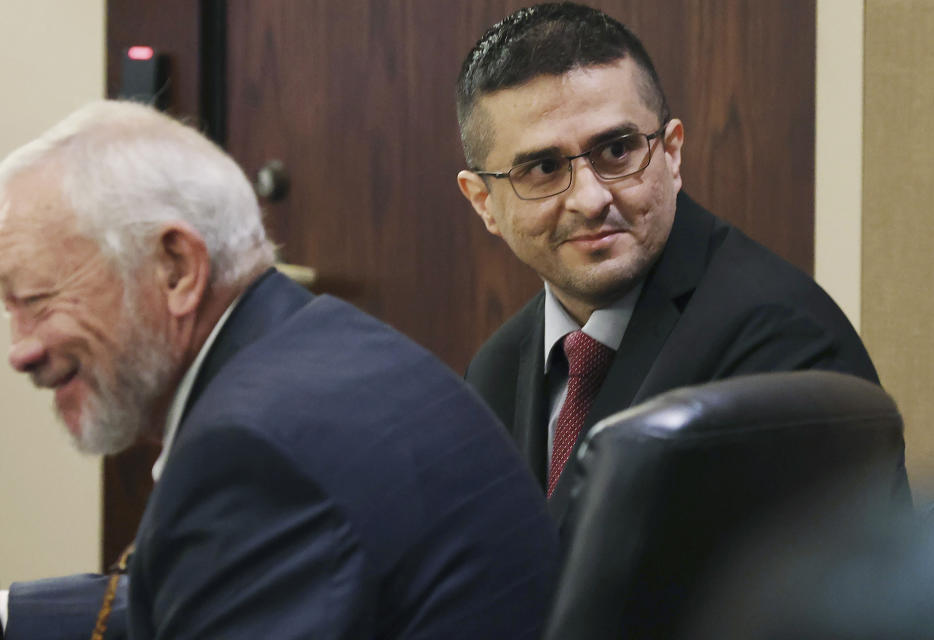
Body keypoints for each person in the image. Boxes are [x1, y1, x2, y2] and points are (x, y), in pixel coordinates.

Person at [0, 100, 559, 639]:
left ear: (176, 269)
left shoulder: (252, 452)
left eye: (37, 301)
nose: (18, 351)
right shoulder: (319, 346)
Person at [455, 2, 901, 528]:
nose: (591, 198)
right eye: (545, 168)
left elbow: (811, 604)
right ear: (484, 202)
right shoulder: (497, 369)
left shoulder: (784, 347)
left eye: (617, 150)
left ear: (671, 153)